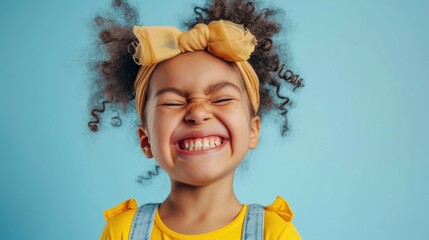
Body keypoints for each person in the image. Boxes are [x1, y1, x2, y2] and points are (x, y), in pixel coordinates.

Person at [88, 0, 304, 239]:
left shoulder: (273, 232)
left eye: (221, 99)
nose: (197, 113)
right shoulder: (123, 232)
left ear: (253, 130)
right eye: (172, 102)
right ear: (145, 140)